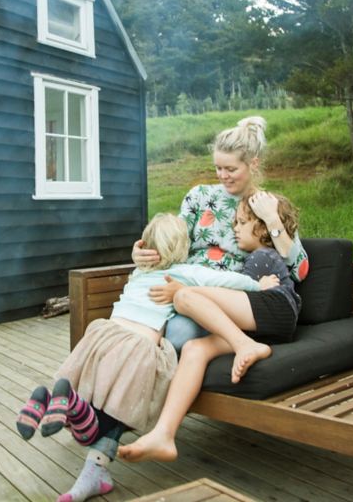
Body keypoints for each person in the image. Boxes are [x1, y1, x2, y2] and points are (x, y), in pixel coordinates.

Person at [15, 213, 279, 502]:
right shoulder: (183, 271)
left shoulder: (139, 273)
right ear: (182, 248)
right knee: (122, 403)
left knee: (90, 388)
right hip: (138, 345)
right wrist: (260, 285)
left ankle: (54, 400)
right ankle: (78, 413)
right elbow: (224, 280)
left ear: (147, 246)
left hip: (104, 335)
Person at [118, 192, 302, 463]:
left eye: (240, 223)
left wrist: (185, 287)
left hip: (277, 309)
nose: (234, 229)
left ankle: (244, 346)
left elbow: (242, 294)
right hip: (259, 327)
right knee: (194, 350)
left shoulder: (263, 257)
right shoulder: (248, 255)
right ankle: (164, 435)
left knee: (183, 297)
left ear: (262, 227)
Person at [133, 116, 309, 352]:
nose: (223, 176)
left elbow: (300, 269)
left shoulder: (267, 204)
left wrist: (272, 219)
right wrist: (143, 252)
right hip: (181, 281)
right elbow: (172, 242)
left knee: (178, 334)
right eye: (218, 168)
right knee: (132, 327)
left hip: (223, 298)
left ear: (253, 164)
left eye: (231, 169)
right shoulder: (199, 196)